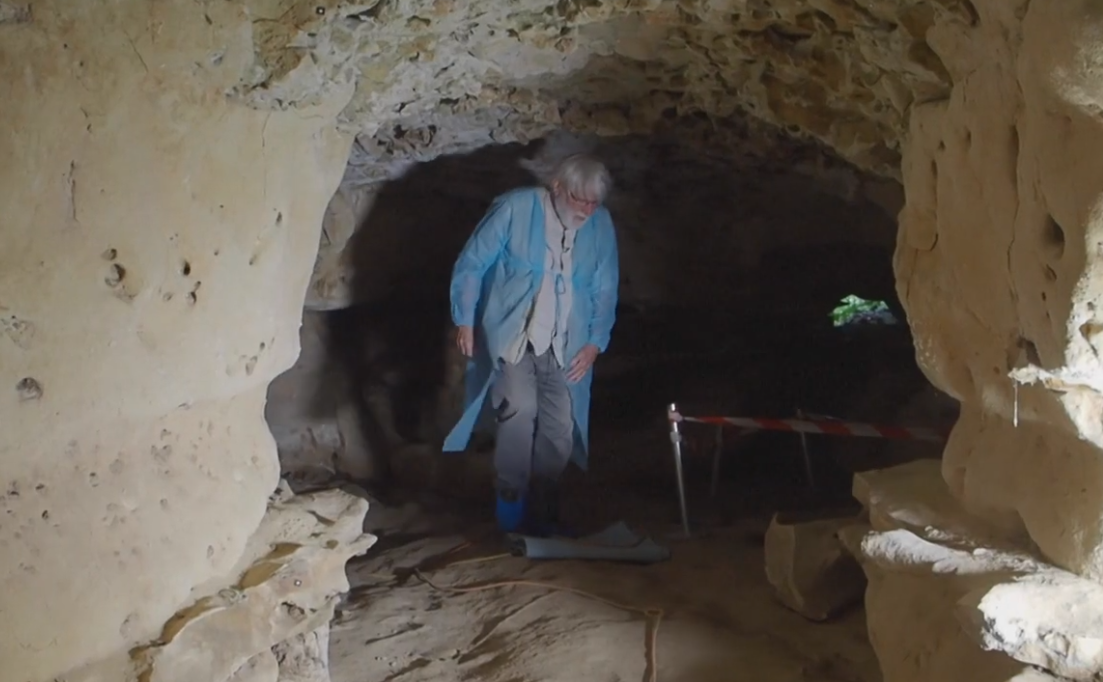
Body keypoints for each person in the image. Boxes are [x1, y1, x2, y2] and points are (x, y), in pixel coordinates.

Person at [441, 154, 620, 535]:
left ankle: (544, 509)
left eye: (594, 201)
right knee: (519, 410)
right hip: (514, 335)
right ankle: (510, 505)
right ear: (557, 187)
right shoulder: (514, 208)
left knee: (559, 427)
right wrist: (465, 319)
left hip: (567, 341)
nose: (587, 209)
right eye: (579, 199)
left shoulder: (600, 224)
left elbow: (605, 287)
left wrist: (595, 343)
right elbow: (472, 263)